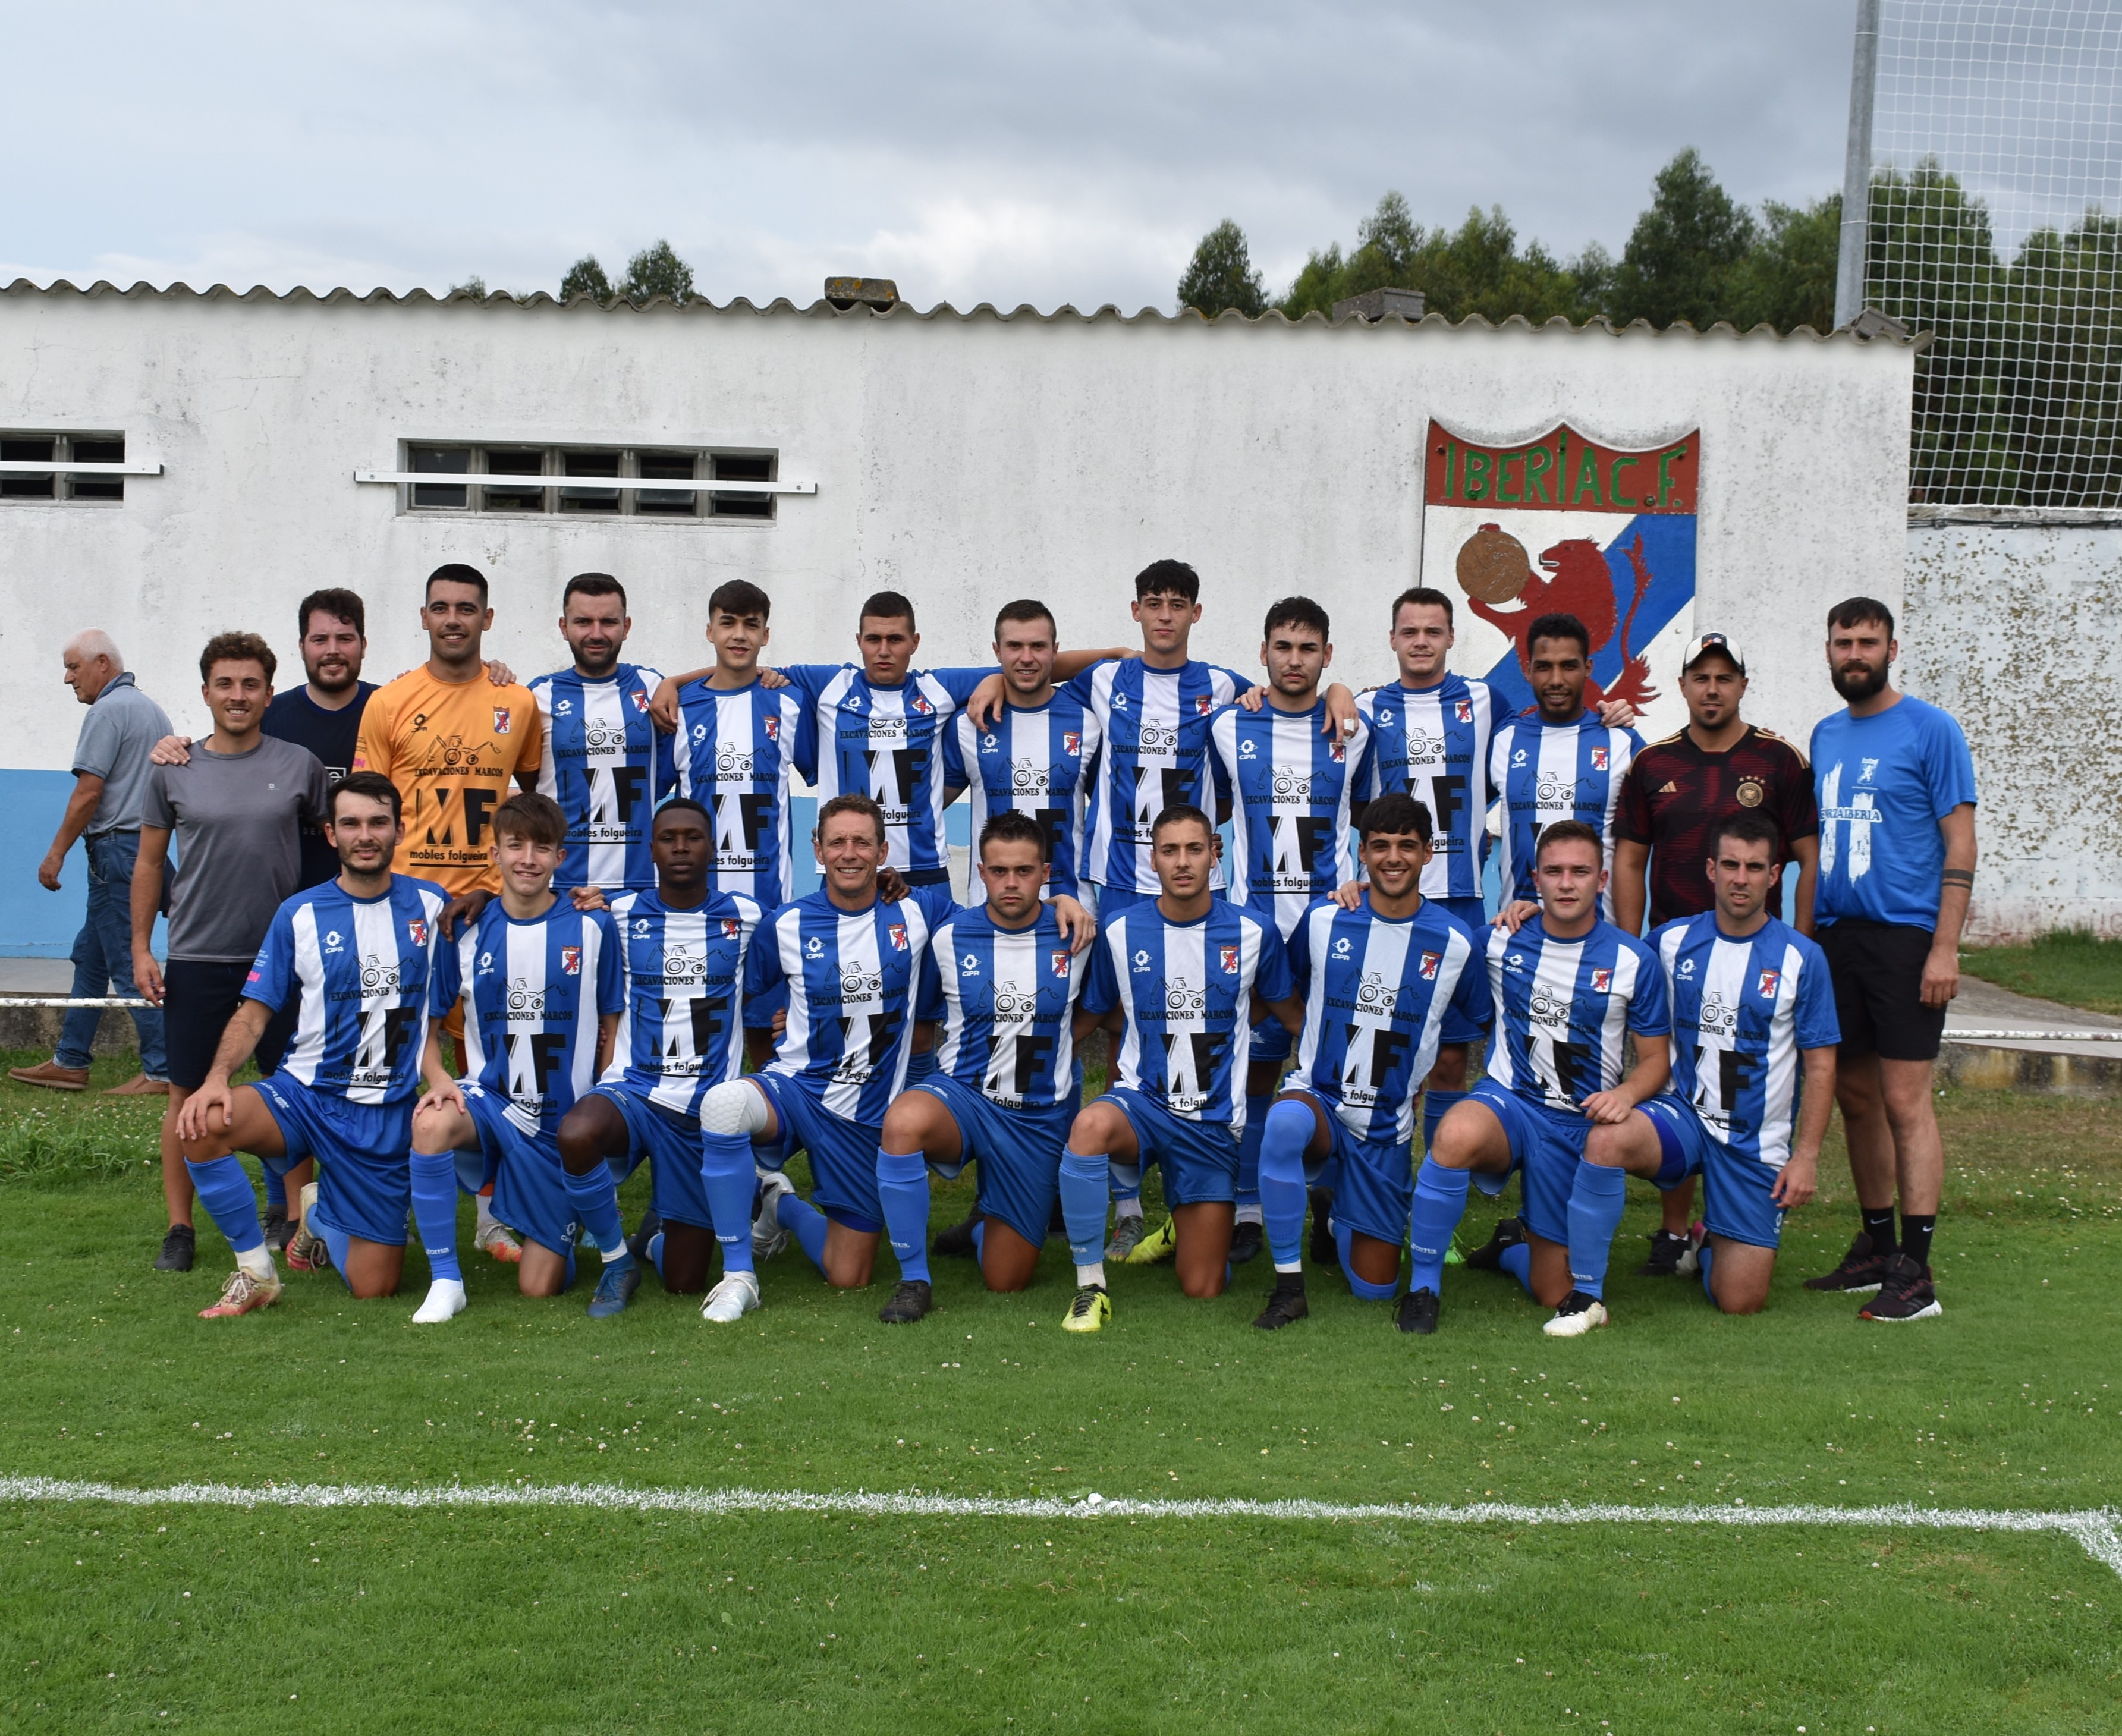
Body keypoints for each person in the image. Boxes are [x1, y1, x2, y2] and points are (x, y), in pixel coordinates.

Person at [1352, 587, 1639, 1228]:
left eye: (1434, 629)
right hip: (1397, 906)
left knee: (1463, 1058)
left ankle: (1501, 1206)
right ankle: (1384, 1197)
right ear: (1393, 637)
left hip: (1469, 909)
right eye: (1410, 630)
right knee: (1384, 1051)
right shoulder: (1372, 709)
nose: (1421, 640)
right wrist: (1339, 692)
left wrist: (1618, 713)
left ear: (1452, 636)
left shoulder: (1491, 708)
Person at [174, 773, 449, 1317]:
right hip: (305, 1096)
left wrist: (586, 906)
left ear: (400, 829)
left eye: (377, 822)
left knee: (375, 1288)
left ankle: (320, 1213)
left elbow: (438, 1015)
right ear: (330, 834)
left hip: (384, 1114)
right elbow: (254, 1014)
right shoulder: (298, 914)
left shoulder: (434, 907)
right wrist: (215, 1080)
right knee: (202, 1122)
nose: (364, 835)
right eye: (351, 823)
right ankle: (255, 1273)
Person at [1403, 820, 1670, 1337]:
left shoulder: (1633, 960)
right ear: (1535, 879)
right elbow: (1419, 923)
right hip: (1511, 1104)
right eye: (1553, 872)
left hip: (1575, 1125)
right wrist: (1364, 887)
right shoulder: (1500, 940)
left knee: (1553, 1291)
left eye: (1579, 872)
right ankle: (1423, 1288)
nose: (1565, 883)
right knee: (1455, 1132)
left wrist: (1626, 1093)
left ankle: (1510, 1248)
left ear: (1603, 879)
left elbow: (1656, 1059)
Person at [1570, 813, 1839, 1316]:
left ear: (1774, 876)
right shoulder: (1670, 942)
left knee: (1739, 1302)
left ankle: (1708, 1239)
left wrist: (1805, 1157)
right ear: (1711, 870)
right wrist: (1530, 911)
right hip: (1684, 1119)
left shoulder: (1803, 959)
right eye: (1731, 865)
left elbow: (1821, 1067)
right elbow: (1595, 951)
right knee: (1606, 1139)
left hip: (1752, 1144)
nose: (1742, 878)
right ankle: (1584, 1293)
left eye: (1755, 867)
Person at [1611, 631, 1820, 1275]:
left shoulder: (1779, 760)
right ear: (1681, 686)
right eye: (1699, 677)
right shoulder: (1652, 763)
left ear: (1741, 685)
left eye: (1723, 678)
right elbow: (1627, 858)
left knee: (1746, 1081)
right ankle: (1674, 1231)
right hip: (1676, 947)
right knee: (1674, 1078)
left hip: (1756, 951)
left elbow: (1807, 858)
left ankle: (1730, 1217)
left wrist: (1804, 943)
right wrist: (1629, 949)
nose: (1711, 688)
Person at [354, 562, 545, 1263]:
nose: (455, 619)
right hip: (408, 906)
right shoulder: (391, 702)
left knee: (491, 1058)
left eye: (468, 608)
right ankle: (385, 1197)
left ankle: (493, 1212)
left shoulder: (516, 701)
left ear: (487, 619)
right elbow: (370, 796)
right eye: (442, 608)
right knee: (397, 1051)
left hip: (491, 905)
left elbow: (531, 798)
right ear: (425, 616)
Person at [1250, 792, 1491, 1330]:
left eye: (1407, 846)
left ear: (1429, 853)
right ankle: (1288, 1286)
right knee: (1284, 1122)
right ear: (1362, 853)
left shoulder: (1455, 943)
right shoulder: (1324, 919)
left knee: (1373, 1289)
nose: (1393, 858)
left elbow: (1465, 1027)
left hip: (1386, 1127)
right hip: (1320, 1100)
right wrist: (1309, 1038)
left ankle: (1331, 1212)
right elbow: (1288, 991)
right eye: (1380, 846)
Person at [130, 634, 330, 1276]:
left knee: (291, 1093)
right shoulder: (173, 766)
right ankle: (180, 1228)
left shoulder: (299, 764)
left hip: (281, 957)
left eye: (250, 684)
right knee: (184, 1093)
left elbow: (336, 846)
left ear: (269, 693)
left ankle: (296, 1222)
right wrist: (140, 948)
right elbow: (149, 862)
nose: (238, 695)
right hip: (196, 954)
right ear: (206, 692)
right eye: (225, 684)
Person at [1802, 597, 1977, 1323]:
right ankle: (1875, 1247)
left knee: (1906, 1103)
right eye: (1842, 641)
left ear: (1891, 649)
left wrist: (1943, 946)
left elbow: (1959, 842)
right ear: (1828, 650)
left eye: (1866, 642)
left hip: (1906, 937)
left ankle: (1917, 1269)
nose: (1853, 653)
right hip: (1839, 937)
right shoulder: (1825, 733)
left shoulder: (1931, 730)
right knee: (1855, 1097)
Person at [1062, 805, 1303, 1331]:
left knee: (1203, 1288)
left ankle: (1183, 1226)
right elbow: (1091, 1014)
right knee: (1088, 1126)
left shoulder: (1254, 932)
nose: (1182, 862)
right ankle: (1091, 1286)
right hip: (1143, 1105)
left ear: (1215, 854)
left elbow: (1291, 1013)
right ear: (1153, 860)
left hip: (1211, 1126)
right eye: (1169, 850)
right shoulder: (1122, 931)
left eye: (1194, 848)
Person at [871, 811, 1099, 1323]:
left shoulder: (1079, 935)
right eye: (999, 871)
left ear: (1045, 872)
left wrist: (1055, 1038)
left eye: (1023, 871)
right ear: (980, 871)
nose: (1011, 882)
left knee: (1006, 1281)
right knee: (904, 1122)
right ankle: (914, 1280)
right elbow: (920, 1018)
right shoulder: (949, 934)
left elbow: (1097, 1011)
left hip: (1035, 1120)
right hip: (965, 1100)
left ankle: (982, 1223)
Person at [413, 794, 630, 1323]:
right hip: (492, 1102)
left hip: (559, 1124)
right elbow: (428, 1024)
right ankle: (446, 1281)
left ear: (560, 856)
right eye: (515, 846)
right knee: (431, 1121)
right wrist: (438, 1077)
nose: (527, 858)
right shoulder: (463, 930)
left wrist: (605, 1091)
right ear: (495, 854)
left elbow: (612, 1020)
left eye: (541, 847)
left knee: (540, 1288)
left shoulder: (593, 927)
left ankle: (566, 1227)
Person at [711, 795, 936, 1297]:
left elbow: (999, 914)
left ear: (882, 851)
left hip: (864, 1115)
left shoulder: (919, 913)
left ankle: (779, 1204)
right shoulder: (784, 924)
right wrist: (764, 1065)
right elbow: (754, 1007)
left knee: (848, 1275)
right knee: (724, 1106)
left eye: (861, 842)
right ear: (818, 850)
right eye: (837, 842)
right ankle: (737, 1276)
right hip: (795, 1089)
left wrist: (1062, 902)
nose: (849, 853)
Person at [556, 798, 766, 1320]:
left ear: (712, 847)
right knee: (577, 1133)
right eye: (668, 837)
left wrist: (895, 884)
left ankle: (655, 1235)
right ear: (650, 848)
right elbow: (530, 908)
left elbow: (813, 940)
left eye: (692, 837)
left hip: (701, 1114)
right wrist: (472, 900)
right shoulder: (619, 914)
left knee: (684, 1281)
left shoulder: (748, 917)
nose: (679, 847)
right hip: (633, 1093)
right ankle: (614, 1259)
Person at [1206, 595, 1366, 1266]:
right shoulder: (1224, 728)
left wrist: (1341, 693)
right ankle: (1246, 1208)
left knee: (1339, 1066)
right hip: (1255, 928)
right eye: (1282, 647)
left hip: (1333, 929)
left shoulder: (1356, 729)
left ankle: (1330, 1206)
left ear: (1326, 654)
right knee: (1254, 1072)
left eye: (1308, 650)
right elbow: (1205, 812)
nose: (1293, 660)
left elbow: (1381, 818)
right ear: (1262, 653)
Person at [11, 630, 171, 1097]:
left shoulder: (108, 710)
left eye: (73, 668)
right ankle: (71, 1060)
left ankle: (162, 1070)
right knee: (91, 955)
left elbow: (89, 792)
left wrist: (55, 852)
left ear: (102, 663)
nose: (68, 678)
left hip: (117, 850)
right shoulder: (149, 708)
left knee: (127, 962)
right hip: (141, 847)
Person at [664, 579, 811, 1067]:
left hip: (768, 904)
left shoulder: (788, 705)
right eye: (728, 622)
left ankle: (770, 1130)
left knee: (765, 1034)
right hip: (698, 907)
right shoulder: (679, 708)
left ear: (766, 635)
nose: (739, 634)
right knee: (697, 1033)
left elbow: (824, 771)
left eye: (751, 624)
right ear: (710, 630)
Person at [942, 599, 1101, 907]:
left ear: (1055, 651)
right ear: (997, 651)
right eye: (1014, 646)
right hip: (988, 911)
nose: (1026, 658)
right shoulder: (967, 725)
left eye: (1038, 647)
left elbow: (1117, 806)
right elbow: (925, 808)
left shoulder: (1088, 724)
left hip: (1071, 913)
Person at [1488, 613, 1643, 914]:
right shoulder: (1503, 740)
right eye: (1545, 667)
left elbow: (1640, 851)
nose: (1557, 680)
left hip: (1598, 935)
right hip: (1517, 933)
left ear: (1587, 668)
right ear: (1527, 669)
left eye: (1569, 666)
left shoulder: (1623, 742)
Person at [529, 572, 672, 895]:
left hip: (639, 888)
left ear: (626, 626)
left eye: (608, 622)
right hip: (560, 886)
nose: (596, 634)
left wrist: (677, 682)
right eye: (583, 622)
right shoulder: (539, 697)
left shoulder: (653, 688)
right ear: (564, 628)